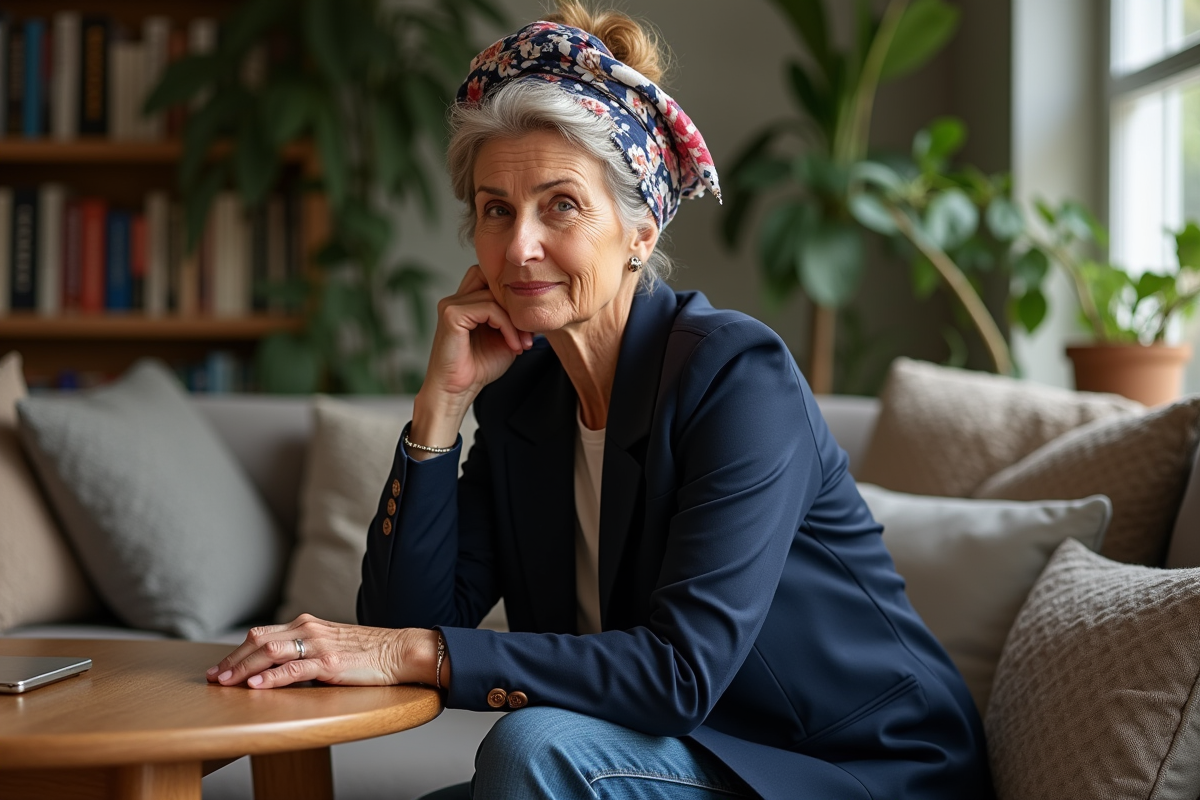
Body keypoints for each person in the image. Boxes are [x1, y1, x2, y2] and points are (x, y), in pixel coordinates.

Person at [208, 4, 995, 798]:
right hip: (685, 758)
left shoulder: (736, 377)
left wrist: (414, 652)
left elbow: (678, 674)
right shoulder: (525, 402)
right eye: (496, 209)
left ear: (641, 231)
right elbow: (403, 623)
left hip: (856, 769)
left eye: (561, 204)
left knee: (536, 750)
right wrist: (439, 411)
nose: (521, 247)